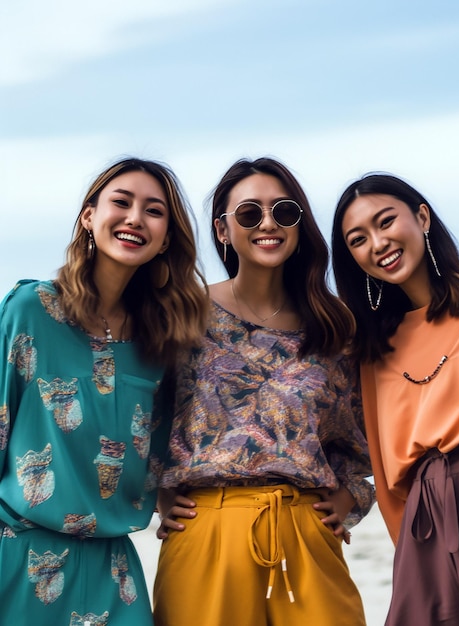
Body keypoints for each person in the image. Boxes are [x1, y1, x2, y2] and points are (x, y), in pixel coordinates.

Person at [153, 157, 374, 626]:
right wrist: (154, 493)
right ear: (222, 229)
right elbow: (137, 413)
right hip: (205, 532)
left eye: (284, 211)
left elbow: (360, 439)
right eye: (250, 213)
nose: (268, 223)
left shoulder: (335, 327)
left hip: (305, 536)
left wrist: (347, 498)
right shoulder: (183, 315)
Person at [0, 157, 208, 626]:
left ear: (165, 240)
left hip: (115, 572)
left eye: (154, 211)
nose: (136, 217)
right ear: (88, 217)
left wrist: (169, 494)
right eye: (121, 202)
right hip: (17, 554)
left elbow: (161, 448)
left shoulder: (164, 340)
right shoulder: (30, 309)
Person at [331, 172, 459, 625]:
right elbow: (387, 476)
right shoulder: (373, 348)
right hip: (421, 526)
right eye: (358, 239)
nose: (378, 243)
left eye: (386, 222)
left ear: (422, 217)